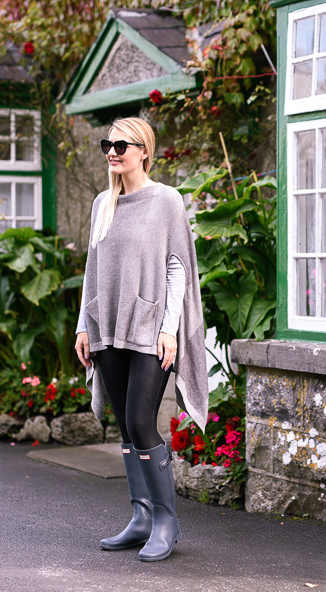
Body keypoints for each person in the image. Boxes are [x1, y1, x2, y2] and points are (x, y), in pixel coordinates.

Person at [74, 117, 208, 562]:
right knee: (124, 426)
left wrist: (169, 328)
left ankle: (167, 521)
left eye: (120, 144)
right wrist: (82, 325)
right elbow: (94, 270)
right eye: (106, 144)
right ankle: (141, 517)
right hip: (107, 326)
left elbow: (177, 268)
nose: (112, 151)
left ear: (143, 151)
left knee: (141, 421)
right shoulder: (101, 204)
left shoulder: (166, 200)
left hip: (151, 329)